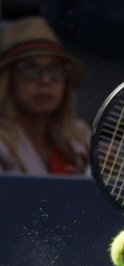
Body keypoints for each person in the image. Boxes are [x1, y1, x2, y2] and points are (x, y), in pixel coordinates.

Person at [0, 16, 90, 176]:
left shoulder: (82, 139)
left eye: (54, 69)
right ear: (7, 81)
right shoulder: (2, 145)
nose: (45, 80)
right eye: (30, 69)